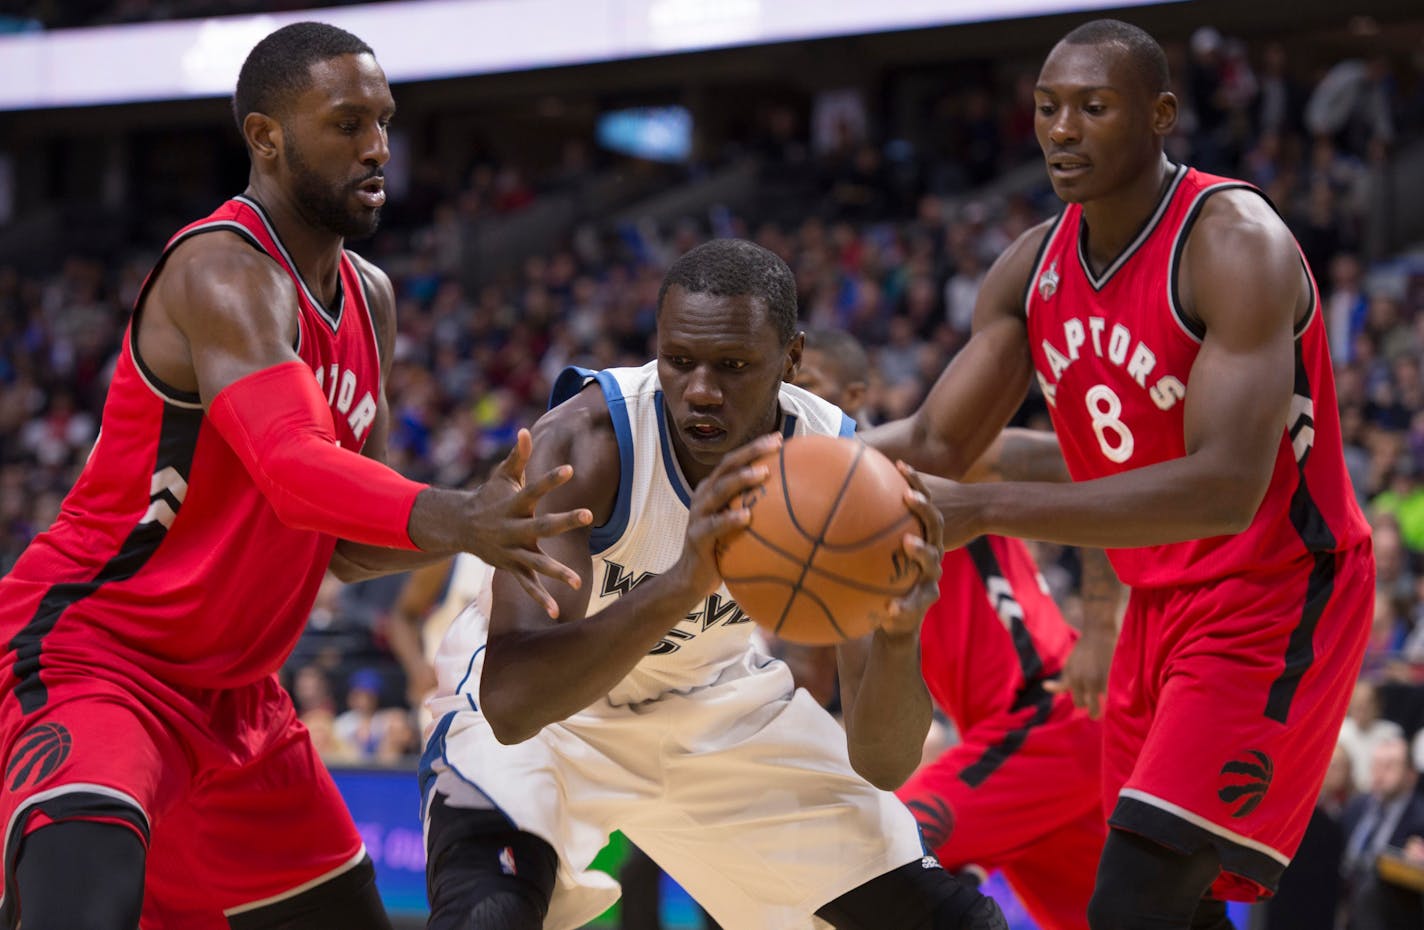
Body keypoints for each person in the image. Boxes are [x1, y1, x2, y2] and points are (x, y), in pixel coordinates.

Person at [0, 22, 588, 930]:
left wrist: (482, 523)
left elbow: (347, 545)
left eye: (385, 122)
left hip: (240, 703)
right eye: (347, 124)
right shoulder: (220, 270)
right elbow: (291, 468)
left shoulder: (372, 298)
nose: (379, 148)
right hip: (101, 657)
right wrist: (459, 514)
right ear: (265, 137)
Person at [871, 18, 1376, 929]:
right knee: (1168, 909)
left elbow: (1222, 488)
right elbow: (939, 442)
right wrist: (788, 457)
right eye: (1047, 108)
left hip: (1275, 591)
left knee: (1133, 901)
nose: (1062, 129)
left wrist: (985, 510)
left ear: (1160, 116)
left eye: (1093, 108)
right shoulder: (1030, 268)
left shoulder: (1233, 244)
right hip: (1158, 603)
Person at [419, 239, 1009, 930]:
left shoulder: (837, 465)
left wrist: (898, 636)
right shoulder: (586, 443)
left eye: (733, 366)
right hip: (549, 719)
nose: (701, 389)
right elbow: (515, 706)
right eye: (680, 361)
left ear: (791, 360)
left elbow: (884, 762)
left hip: (712, 700)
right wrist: (680, 584)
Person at [794, 329, 1111, 930]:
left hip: (1051, 713)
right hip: (1008, 747)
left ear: (858, 394)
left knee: (869, 866)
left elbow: (1086, 464)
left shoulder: (929, 462)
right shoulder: (818, 528)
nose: (791, 401)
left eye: (806, 384)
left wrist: (1101, 624)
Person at [1339, 733, 1424, 930]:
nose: (1380, 773)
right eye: (1376, 765)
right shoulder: (1356, 807)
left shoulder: (1420, 819)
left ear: (1410, 775)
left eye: (1390, 766)